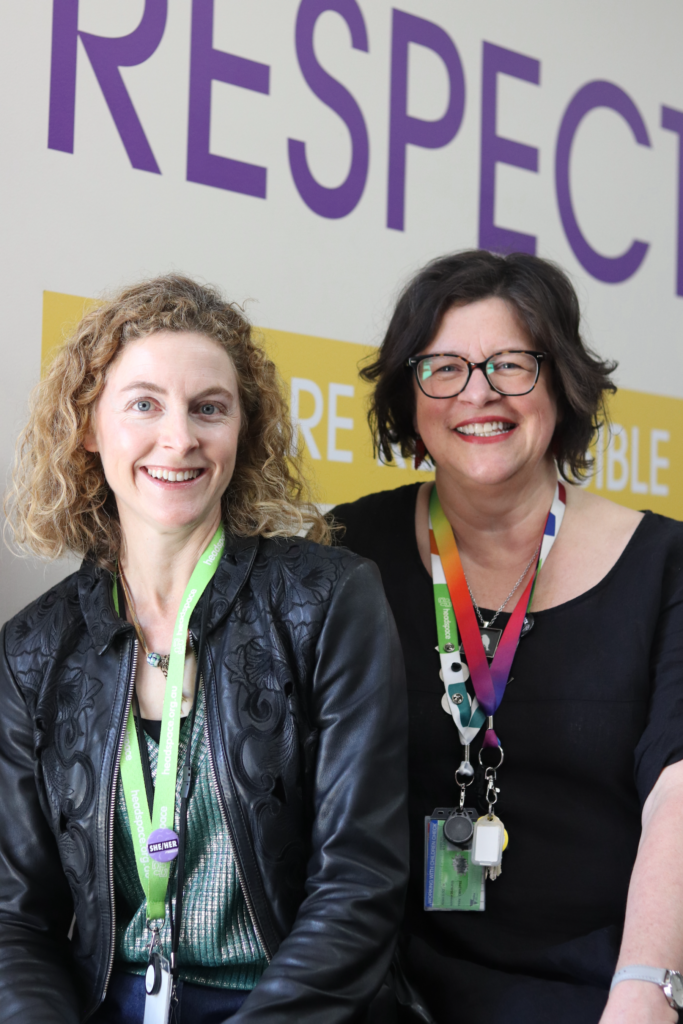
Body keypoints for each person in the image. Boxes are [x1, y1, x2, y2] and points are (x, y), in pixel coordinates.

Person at [0, 275, 408, 1024]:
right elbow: (15, 921)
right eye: (144, 404)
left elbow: (359, 884)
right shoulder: (33, 648)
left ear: (241, 430)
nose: (180, 437)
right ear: (88, 426)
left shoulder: (327, 600)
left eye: (209, 408)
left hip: (292, 1007)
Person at [330, 250, 683, 1024]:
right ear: (409, 396)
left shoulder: (665, 564)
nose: (477, 393)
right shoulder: (345, 551)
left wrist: (645, 989)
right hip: (388, 988)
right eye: (443, 368)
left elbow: (678, 794)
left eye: (510, 365)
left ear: (561, 383)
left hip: (605, 985)